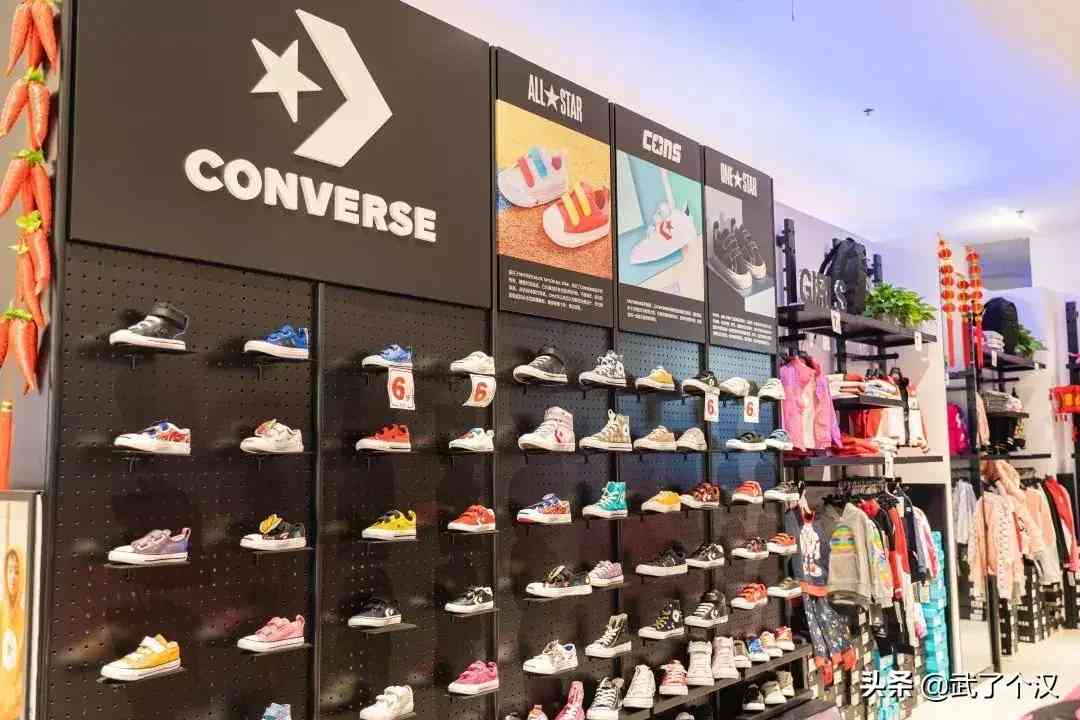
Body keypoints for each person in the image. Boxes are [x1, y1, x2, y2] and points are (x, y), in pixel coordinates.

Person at [0, 548, 25, 720]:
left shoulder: (25, 619)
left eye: (17, 571)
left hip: (14, 711)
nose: (12, 577)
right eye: (9, 570)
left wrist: (15, 696)